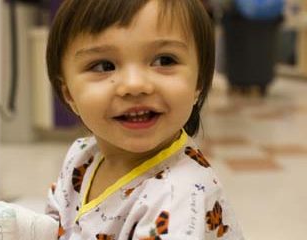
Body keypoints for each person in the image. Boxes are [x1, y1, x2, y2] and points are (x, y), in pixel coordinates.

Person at [45, 0, 244, 239]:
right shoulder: (81, 157)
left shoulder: (178, 196)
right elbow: (53, 227)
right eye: (103, 65)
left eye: (164, 61)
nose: (134, 85)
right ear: (69, 94)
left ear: (198, 83)